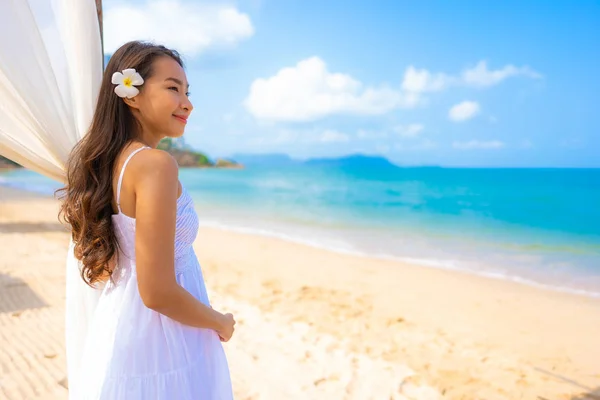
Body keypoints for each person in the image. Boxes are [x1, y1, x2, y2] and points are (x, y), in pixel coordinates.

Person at [55, 40, 235, 399]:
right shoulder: (155, 165)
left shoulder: (111, 164)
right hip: (164, 337)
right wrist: (219, 321)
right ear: (131, 95)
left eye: (187, 91)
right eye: (172, 88)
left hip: (123, 322)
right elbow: (157, 292)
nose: (187, 103)